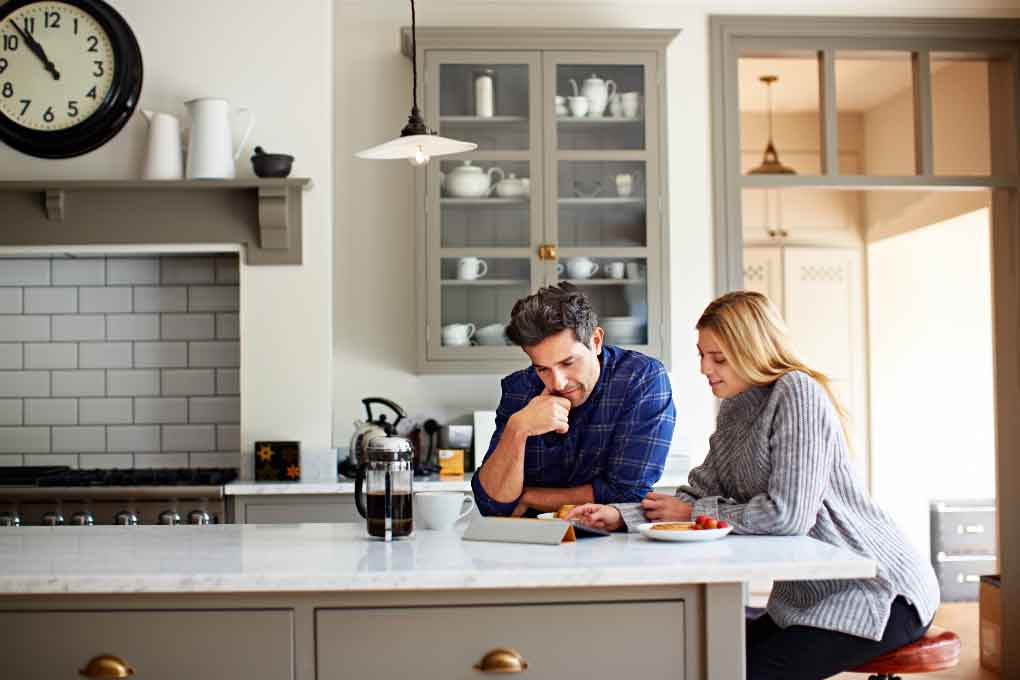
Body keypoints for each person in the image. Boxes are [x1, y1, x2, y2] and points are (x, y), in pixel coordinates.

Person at [567, 290, 940, 680]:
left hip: (879, 593)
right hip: (807, 596)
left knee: (740, 671)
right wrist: (619, 516)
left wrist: (693, 513)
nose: (704, 368)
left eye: (719, 358)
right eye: (702, 355)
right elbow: (697, 492)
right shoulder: (735, 406)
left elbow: (788, 515)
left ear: (752, 350)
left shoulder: (797, 392)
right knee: (706, 660)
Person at [471, 283, 676, 517]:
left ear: (596, 341)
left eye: (568, 363)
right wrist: (517, 430)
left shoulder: (641, 379)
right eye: (542, 369)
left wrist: (528, 497)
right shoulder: (520, 388)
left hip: (609, 543)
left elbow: (627, 494)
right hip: (530, 542)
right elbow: (491, 503)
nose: (557, 382)